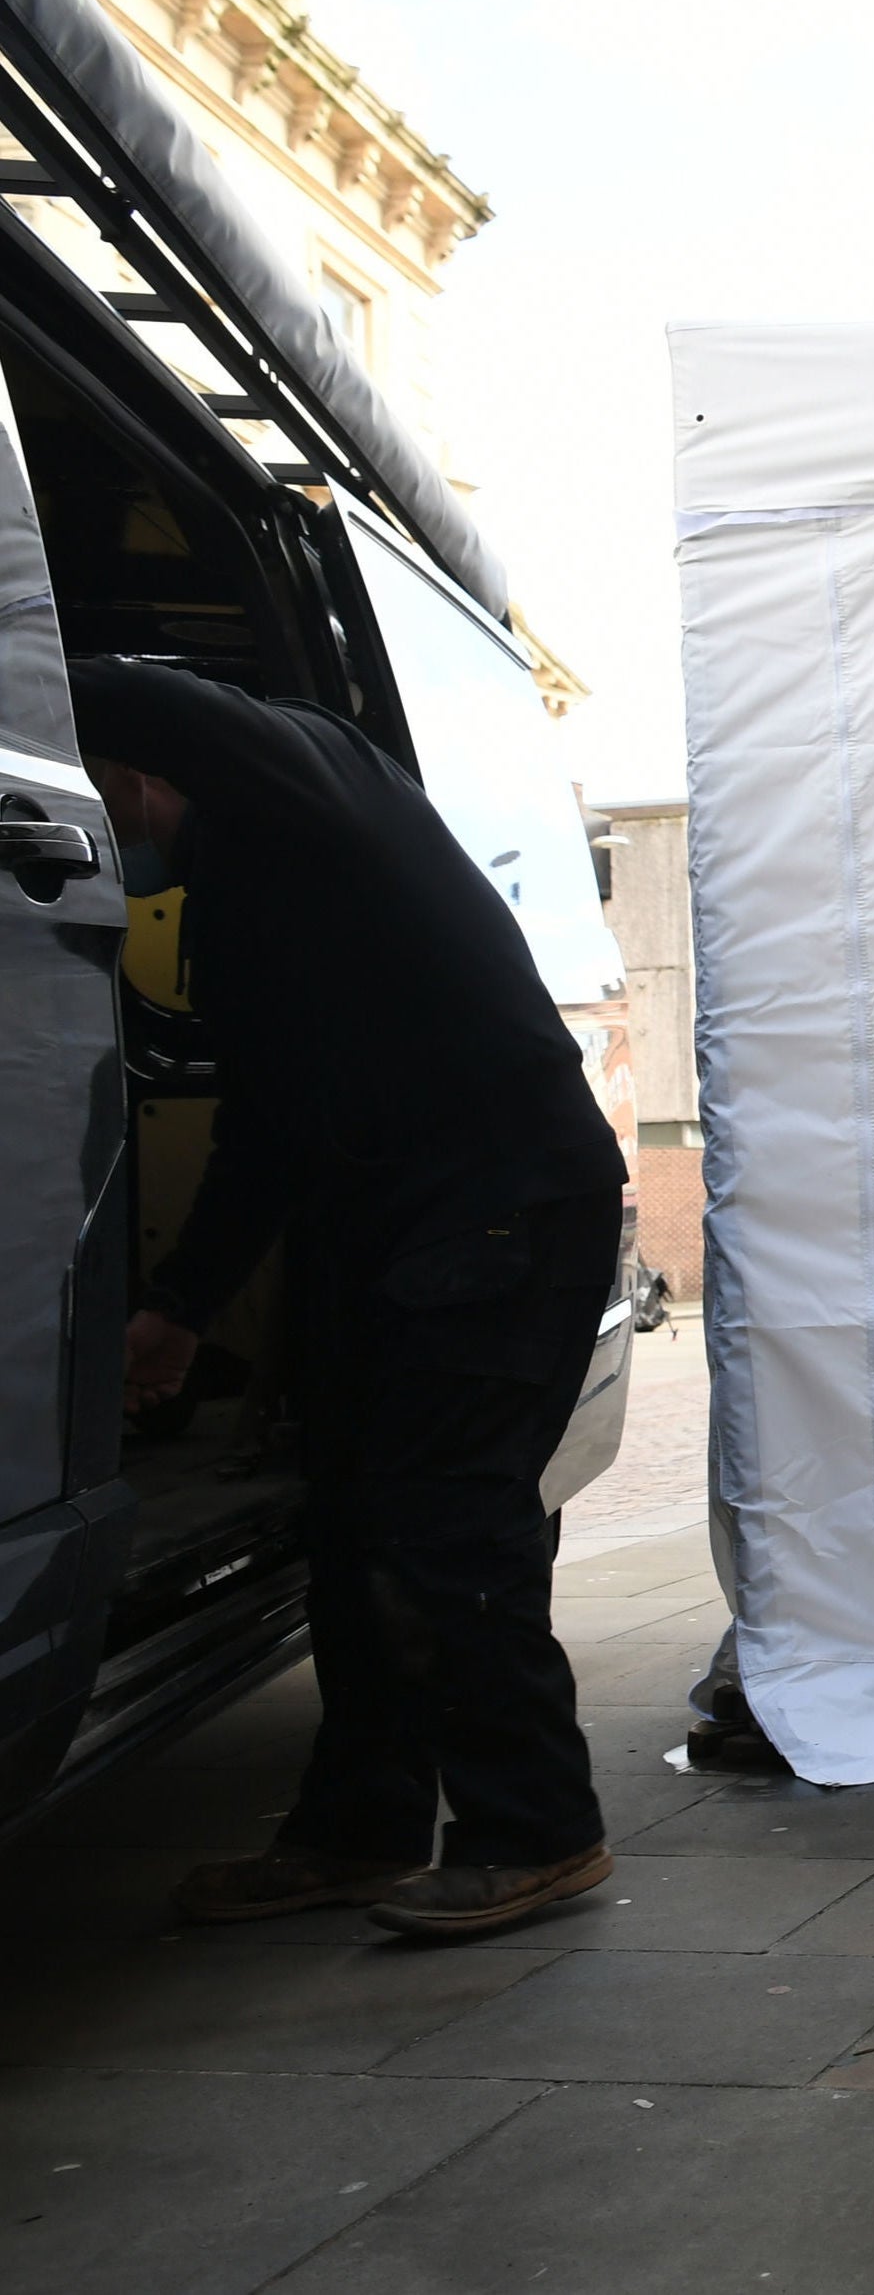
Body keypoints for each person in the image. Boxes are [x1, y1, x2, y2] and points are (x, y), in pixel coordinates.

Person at [75, 657, 627, 1942]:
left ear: (147, 767)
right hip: (392, 1223)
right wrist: (181, 1304)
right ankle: (357, 1831)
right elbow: (263, 1127)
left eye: (97, 792)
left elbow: (173, 708)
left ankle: (540, 1831)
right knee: (355, 1525)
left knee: (449, 1519)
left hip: (499, 1203)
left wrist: (34, 653)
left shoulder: (307, 779)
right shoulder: (233, 899)